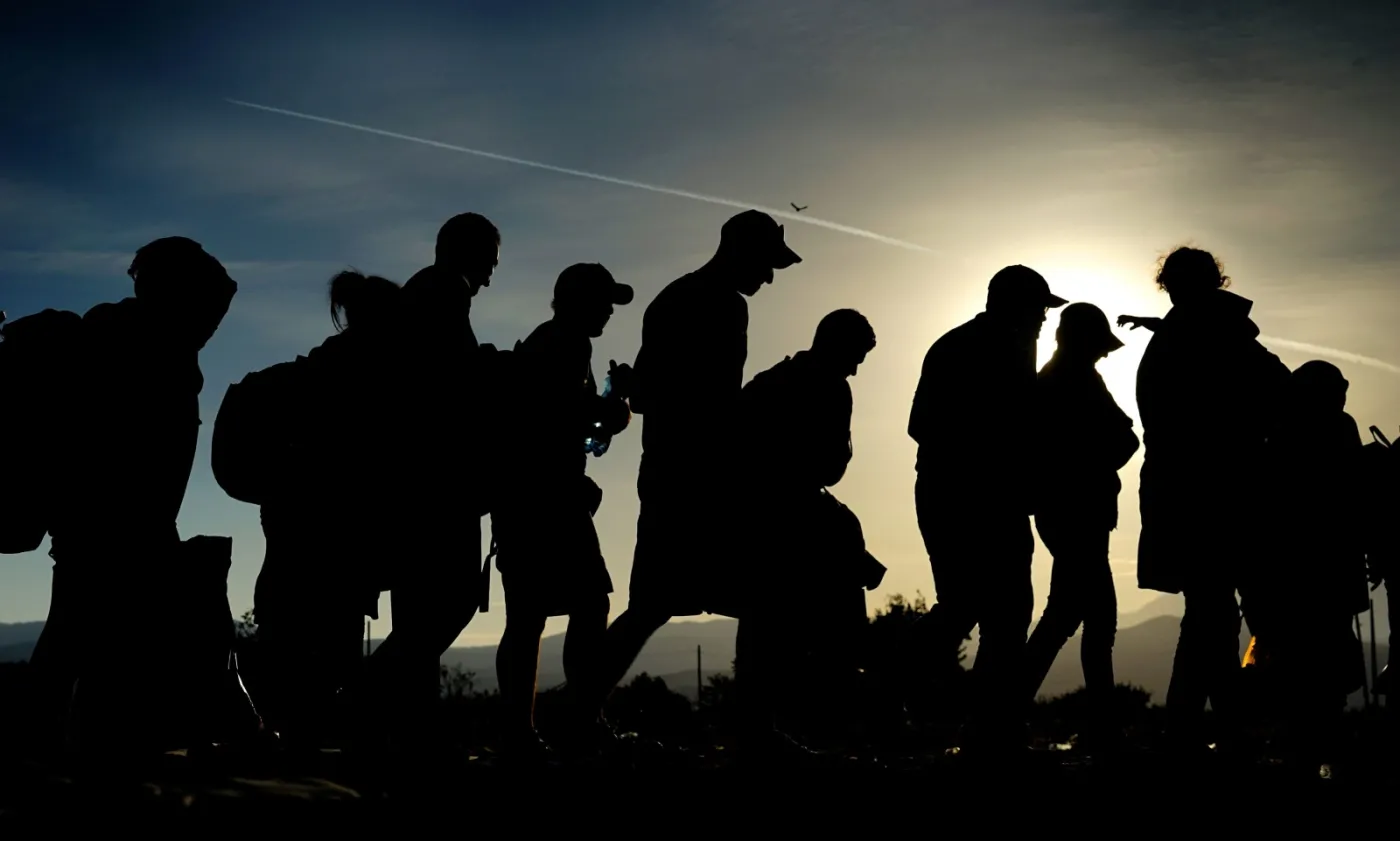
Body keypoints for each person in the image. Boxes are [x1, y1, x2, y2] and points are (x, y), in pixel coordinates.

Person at [584, 210, 802, 737]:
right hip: (697, 480)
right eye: (766, 264)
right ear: (740, 251)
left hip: (676, 474)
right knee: (761, 596)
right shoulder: (721, 306)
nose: (769, 277)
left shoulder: (677, 298)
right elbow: (700, 402)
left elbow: (645, 392)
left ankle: (576, 713)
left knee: (655, 606)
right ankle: (755, 734)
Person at [29, 236, 243, 754]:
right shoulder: (138, 347)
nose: (212, 328)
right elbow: (125, 456)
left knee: (81, 647)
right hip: (118, 531)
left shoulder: (126, 338)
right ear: (177, 295)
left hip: (108, 530)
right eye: (207, 311)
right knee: (88, 650)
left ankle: (58, 753)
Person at [1130, 246, 1290, 758]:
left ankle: (1201, 724)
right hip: (1227, 497)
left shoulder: (1185, 336)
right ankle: (1229, 724)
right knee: (1226, 613)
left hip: (1195, 497)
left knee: (1210, 614)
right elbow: (1278, 393)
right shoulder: (1216, 334)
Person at [906, 264, 1067, 756]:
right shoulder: (972, 347)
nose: (1043, 317)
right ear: (1014, 305)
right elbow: (924, 426)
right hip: (966, 502)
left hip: (984, 501)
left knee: (1002, 613)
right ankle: (904, 686)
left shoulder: (996, 346)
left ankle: (987, 727)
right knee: (975, 608)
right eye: (1038, 307)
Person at [361, 212, 502, 760]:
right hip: (436, 486)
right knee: (447, 603)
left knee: (424, 610)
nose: (492, 275)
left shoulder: (426, 293)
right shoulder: (443, 292)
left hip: (418, 482)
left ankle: (409, 733)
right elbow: (444, 391)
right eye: (490, 259)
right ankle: (365, 703)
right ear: (469, 252)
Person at [249, 270, 402, 751]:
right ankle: (323, 742)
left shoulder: (320, 363)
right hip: (338, 528)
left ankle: (292, 737)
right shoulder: (372, 372)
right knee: (336, 639)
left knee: (290, 632)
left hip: (290, 517)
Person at [491, 263, 635, 762]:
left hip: (523, 501)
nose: (609, 313)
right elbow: (563, 417)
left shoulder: (547, 342)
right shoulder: (567, 344)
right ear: (577, 301)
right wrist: (611, 413)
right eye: (603, 303)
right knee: (589, 604)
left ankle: (523, 732)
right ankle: (579, 724)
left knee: (528, 617)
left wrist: (601, 411)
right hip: (548, 500)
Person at [736, 309, 885, 764]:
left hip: (756, 513)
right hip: (791, 518)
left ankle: (760, 729)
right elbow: (831, 468)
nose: (857, 368)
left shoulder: (769, 379)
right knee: (801, 624)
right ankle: (831, 719)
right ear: (836, 345)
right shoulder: (831, 388)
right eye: (856, 356)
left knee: (764, 625)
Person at [1021, 303, 1139, 752]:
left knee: (1067, 616)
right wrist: (1099, 462)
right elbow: (1125, 436)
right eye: (1100, 345)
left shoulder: (1064, 376)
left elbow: (1123, 434)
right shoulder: (1070, 380)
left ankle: (1007, 714)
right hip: (1076, 513)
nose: (1106, 355)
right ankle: (1102, 730)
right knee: (1091, 619)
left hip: (1071, 512)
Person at [1248, 361, 1368, 773]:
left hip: (1295, 577)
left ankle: (1304, 754)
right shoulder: (1336, 428)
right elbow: (1353, 497)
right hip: (1324, 574)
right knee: (1322, 670)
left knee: (1303, 670)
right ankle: (1317, 752)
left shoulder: (1279, 433)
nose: (1344, 395)